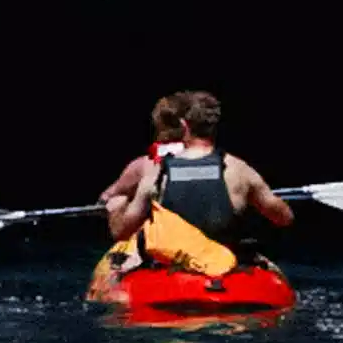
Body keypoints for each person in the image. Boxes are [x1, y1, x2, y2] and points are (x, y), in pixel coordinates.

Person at [108, 91, 295, 245]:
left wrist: (116, 209)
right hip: (221, 268)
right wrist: (254, 197)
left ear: (183, 125)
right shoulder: (239, 170)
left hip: (169, 267)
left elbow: (122, 233)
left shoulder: (157, 171)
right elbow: (284, 218)